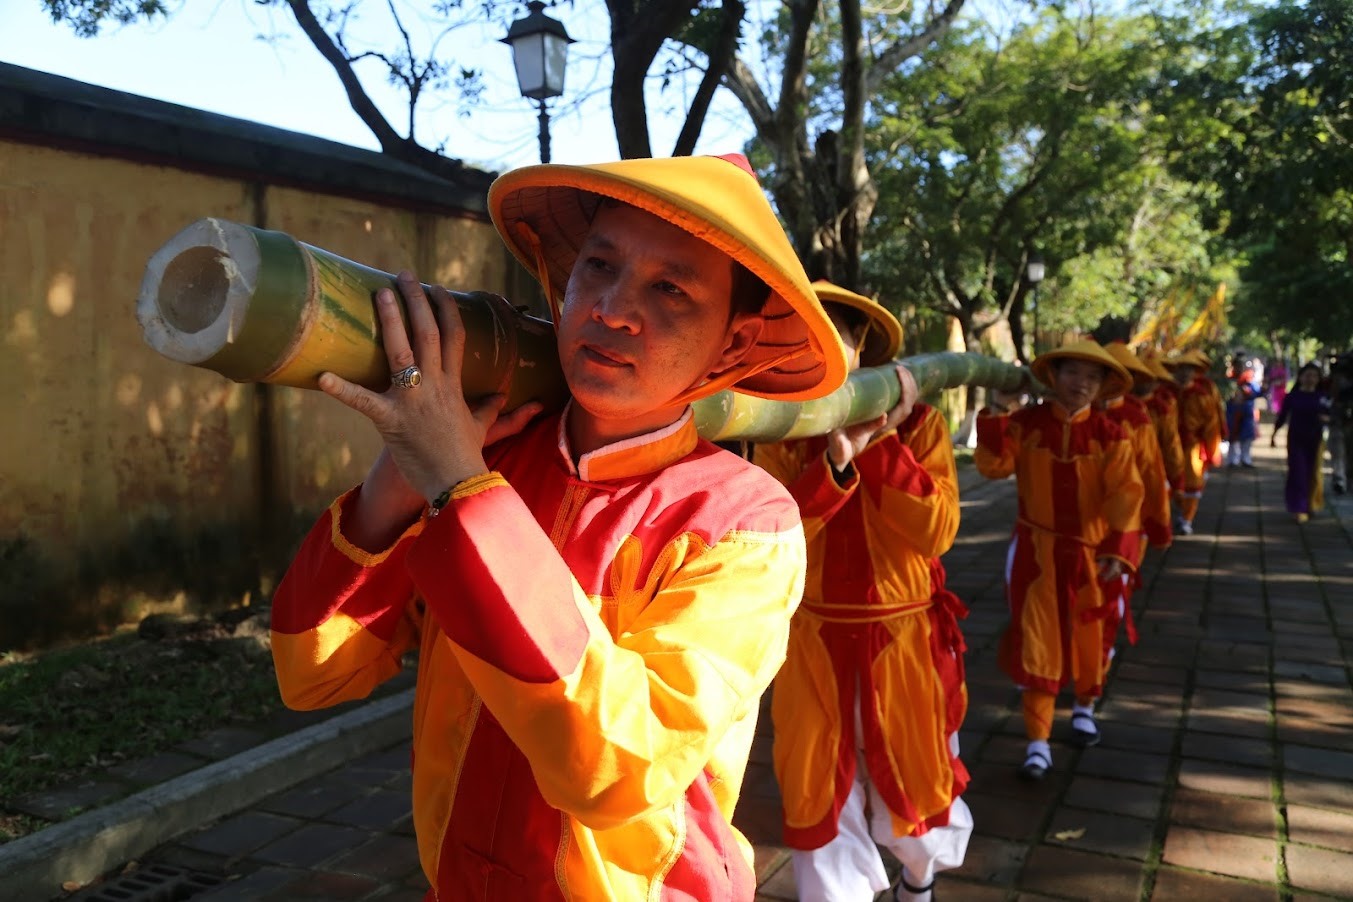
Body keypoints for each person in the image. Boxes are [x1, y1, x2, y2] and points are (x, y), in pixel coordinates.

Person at [268, 153, 851, 900]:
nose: (610, 308)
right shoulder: (487, 457)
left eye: (669, 288)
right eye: (597, 265)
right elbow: (313, 674)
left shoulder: (743, 521)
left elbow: (616, 768)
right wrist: (402, 472)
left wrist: (456, 485)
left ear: (732, 346)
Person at [753, 281, 970, 902]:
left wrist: (879, 446)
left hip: (902, 638)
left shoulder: (923, 426)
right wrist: (834, 466)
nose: (816, 349)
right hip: (813, 637)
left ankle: (918, 879)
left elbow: (939, 530)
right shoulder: (779, 429)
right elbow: (775, 537)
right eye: (798, 336)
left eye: (835, 336)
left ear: (860, 348)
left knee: (914, 775)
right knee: (815, 786)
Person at [976, 339, 1143, 782]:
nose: (1081, 385)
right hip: (1036, 553)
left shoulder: (1111, 434)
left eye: (1092, 378)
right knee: (1038, 642)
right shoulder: (1025, 424)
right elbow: (993, 467)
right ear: (1054, 376)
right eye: (1073, 373)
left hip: (1093, 555)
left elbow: (1127, 492)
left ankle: (1085, 708)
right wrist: (996, 410)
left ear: (1103, 386)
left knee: (1092, 635)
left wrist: (1118, 549)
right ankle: (1037, 741)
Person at [1099, 342, 1172, 660]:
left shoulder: (1135, 418)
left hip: (1130, 520)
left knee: (1116, 587)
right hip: (1075, 524)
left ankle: (1102, 649)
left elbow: (1152, 473)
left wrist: (1159, 524)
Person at [1166, 350, 1225, 536]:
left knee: (1192, 483)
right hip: (1167, 446)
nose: (1184, 373)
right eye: (1180, 368)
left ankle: (1186, 519)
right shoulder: (1166, 393)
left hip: (1193, 446)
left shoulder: (1202, 394)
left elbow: (1211, 425)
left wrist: (1212, 450)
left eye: (1188, 369)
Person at [1271, 362, 1331, 522]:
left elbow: (1331, 415)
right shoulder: (1293, 396)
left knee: (1313, 474)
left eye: (1314, 376)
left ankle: (1311, 504)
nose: (1310, 379)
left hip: (1316, 440)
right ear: (1300, 377)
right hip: (1296, 439)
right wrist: (1274, 434)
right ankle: (1298, 508)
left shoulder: (1322, 397)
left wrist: (1326, 419)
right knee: (1298, 472)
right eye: (1307, 375)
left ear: (1318, 379)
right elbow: (1282, 416)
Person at [1226, 367, 1262, 467]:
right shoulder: (1230, 382)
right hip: (1234, 418)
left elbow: (1256, 393)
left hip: (1246, 418)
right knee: (1233, 440)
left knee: (1246, 441)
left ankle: (1245, 459)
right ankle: (1232, 460)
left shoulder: (1250, 385)